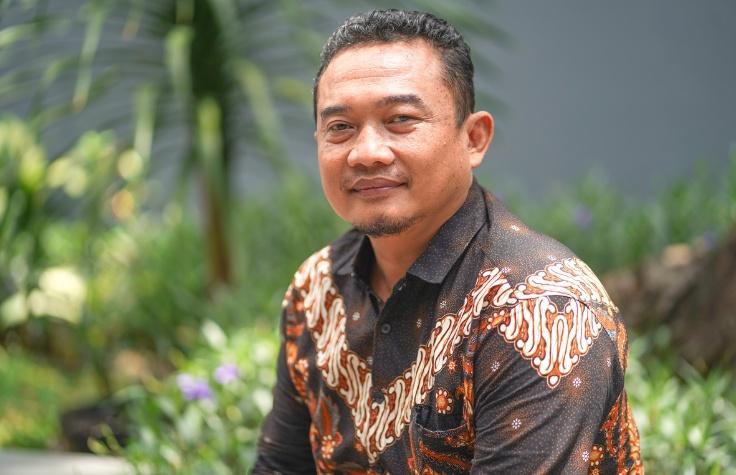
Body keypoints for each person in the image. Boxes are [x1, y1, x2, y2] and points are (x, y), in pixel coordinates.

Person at [253, 9, 642, 475]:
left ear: (473, 138)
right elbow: (280, 465)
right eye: (341, 127)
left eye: (400, 119)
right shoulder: (317, 287)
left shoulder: (539, 311)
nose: (366, 153)